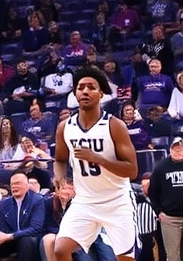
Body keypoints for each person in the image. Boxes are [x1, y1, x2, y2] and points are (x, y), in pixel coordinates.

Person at [51, 66, 139, 261]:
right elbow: (60, 159)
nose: (85, 91)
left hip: (117, 200)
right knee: (60, 249)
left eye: (91, 87)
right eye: (81, 87)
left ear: (101, 94)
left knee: (125, 258)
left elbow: (132, 171)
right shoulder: (65, 127)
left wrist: (98, 158)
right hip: (85, 201)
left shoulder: (115, 125)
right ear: (75, 94)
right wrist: (59, 178)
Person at [146, 137, 183, 261]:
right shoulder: (160, 167)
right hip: (170, 218)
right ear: (170, 149)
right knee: (172, 256)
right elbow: (152, 192)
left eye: (180, 148)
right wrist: (158, 211)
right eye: (175, 148)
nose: (178, 151)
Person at [0, 172, 45, 261]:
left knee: (27, 241)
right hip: (10, 241)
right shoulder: (4, 203)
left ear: (27, 185)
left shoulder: (37, 200)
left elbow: (36, 228)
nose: (14, 186)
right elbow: (2, 228)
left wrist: (11, 236)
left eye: (17, 183)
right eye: (12, 184)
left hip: (30, 239)